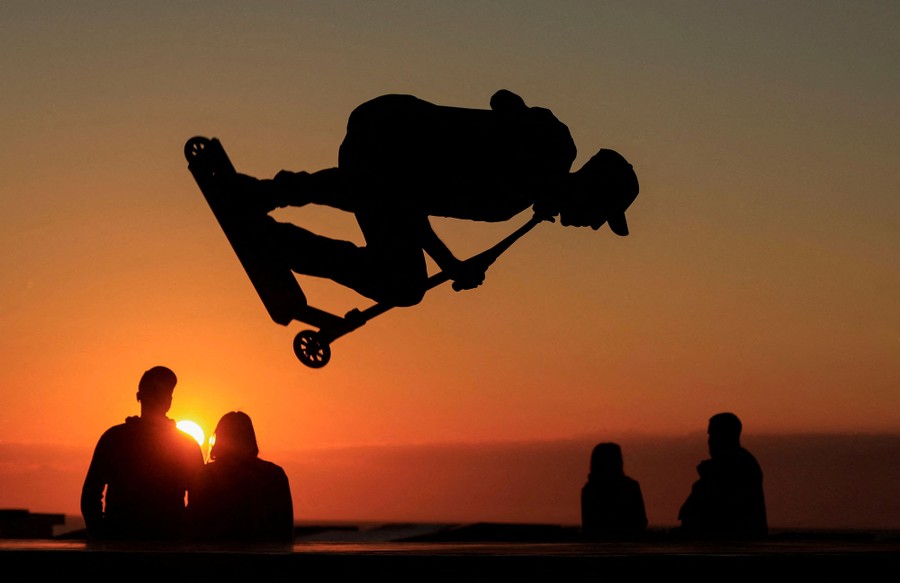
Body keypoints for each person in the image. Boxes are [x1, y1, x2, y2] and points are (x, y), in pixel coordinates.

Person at [242, 89, 640, 307]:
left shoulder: (512, 203)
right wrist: (449, 263)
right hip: (390, 129)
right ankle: (271, 219)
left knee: (397, 268)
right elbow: (408, 195)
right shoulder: (549, 153)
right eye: (600, 214)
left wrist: (450, 263)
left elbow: (407, 201)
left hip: (388, 149)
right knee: (398, 268)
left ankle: (270, 210)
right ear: (591, 189)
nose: (593, 224)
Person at [80, 366, 204, 541]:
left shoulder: (114, 438)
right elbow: (201, 501)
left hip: (123, 543)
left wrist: (101, 535)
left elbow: (90, 495)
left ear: (139, 397)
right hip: (168, 543)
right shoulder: (186, 445)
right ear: (169, 401)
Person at [189, 411, 294, 543]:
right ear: (250, 438)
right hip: (265, 556)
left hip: (215, 556)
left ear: (219, 439)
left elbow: (195, 524)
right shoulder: (274, 474)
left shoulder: (206, 475)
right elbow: (286, 527)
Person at [676, 412, 768, 539]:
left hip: (730, 540)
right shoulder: (726, 465)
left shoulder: (736, 465)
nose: (710, 441)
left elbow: (718, 506)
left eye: (713, 435)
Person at [580, 442, 648, 539]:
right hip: (628, 543)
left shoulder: (588, 490)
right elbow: (641, 521)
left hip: (598, 544)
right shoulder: (631, 487)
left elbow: (588, 525)